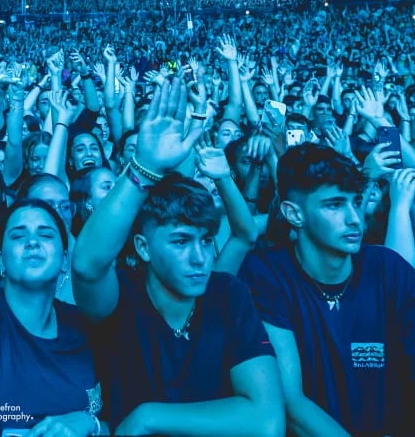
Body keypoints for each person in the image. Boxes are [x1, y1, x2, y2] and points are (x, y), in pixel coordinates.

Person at [70, 79, 284, 436]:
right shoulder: (121, 297)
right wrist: (143, 166)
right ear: (143, 248)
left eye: (205, 240)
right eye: (181, 242)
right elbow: (86, 265)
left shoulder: (227, 294)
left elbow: (267, 421)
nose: (200, 258)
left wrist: (149, 417)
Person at [239, 144, 415, 436]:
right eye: (334, 205)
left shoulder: (390, 270)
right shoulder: (266, 273)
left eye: (356, 201)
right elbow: (290, 401)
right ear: (294, 214)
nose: (354, 219)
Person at [0, 69, 102, 437]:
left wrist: (89, 423)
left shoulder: (85, 328)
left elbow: (116, 417)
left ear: (65, 258)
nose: (32, 241)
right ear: (0, 260)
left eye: (46, 233)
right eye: (17, 234)